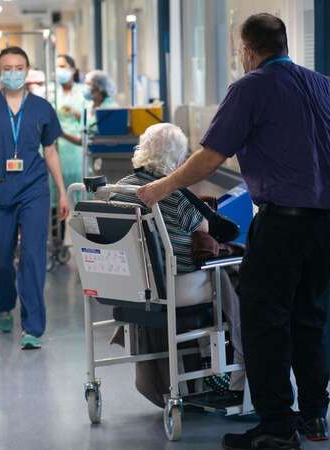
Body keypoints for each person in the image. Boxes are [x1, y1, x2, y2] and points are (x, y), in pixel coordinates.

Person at [138, 13, 330, 450]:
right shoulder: (328, 86)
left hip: (282, 227)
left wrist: (161, 187)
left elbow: (209, 158)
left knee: (264, 324)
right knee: (309, 321)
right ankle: (314, 416)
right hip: (327, 226)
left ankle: (277, 425)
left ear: (248, 48)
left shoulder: (250, 87)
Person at [109, 123, 245, 405]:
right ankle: (235, 374)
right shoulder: (170, 194)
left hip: (134, 286)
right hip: (177, 286)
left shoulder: (117, 191)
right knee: (235, 274)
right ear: (178, 160)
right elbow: (206, 228)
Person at [0, 46, 69, 349]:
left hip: (34, 189)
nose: (13, 73)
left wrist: (62, 191)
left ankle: (33, 328)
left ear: (27, 70)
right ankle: (4, 302)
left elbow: (50, 151)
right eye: (7, 68)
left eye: (19, 67)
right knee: (0, 259)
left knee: (33, 257)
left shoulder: (41, 108)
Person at [53, 55, 87, 205]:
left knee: (79, 197)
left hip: (76, 150)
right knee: (56, 195)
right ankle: (57, 228)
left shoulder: (84, 92)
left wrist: (75, 112)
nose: (59, 70)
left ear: (73, 70)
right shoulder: (52, 92)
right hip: (55, 149)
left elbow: (89, 122)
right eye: (57, 67)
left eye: (63, 66)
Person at [61, 70, 118, 145]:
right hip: (90, 154)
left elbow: (111, 140)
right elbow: (83, 141)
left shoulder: (111, 109)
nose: (85, 87)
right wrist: (62, 133)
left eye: (88, 84)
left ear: (99, 88)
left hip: (106, 154)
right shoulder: (87, 108)